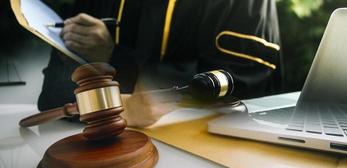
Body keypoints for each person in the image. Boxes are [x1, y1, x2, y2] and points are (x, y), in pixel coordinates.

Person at [38, 0, 282, 127]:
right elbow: (53, 97)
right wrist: (123, 107)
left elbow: (242, 85)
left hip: (207, 155)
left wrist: (114, 57)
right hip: (95, 149)